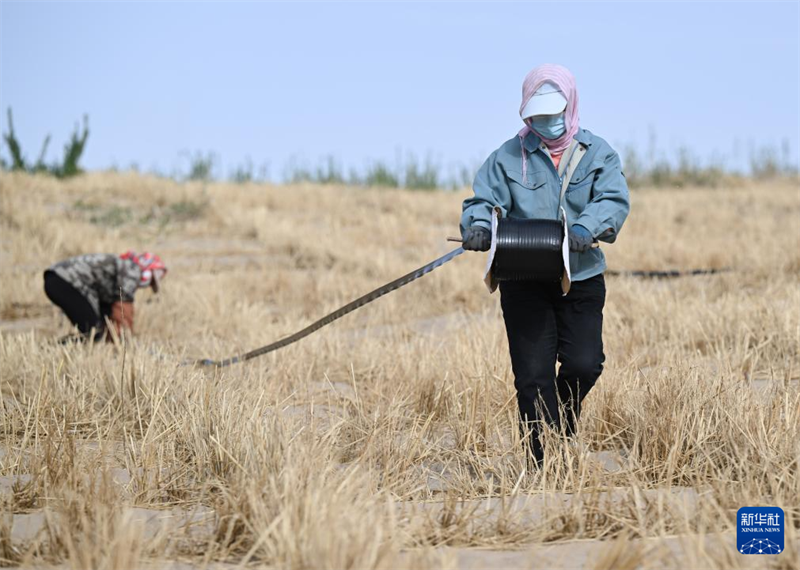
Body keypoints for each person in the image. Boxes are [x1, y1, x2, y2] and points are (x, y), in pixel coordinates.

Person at [460, 64, 630, 465]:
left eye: (555, 113)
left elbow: (613, 200)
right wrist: (479, 227)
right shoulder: (506, 157)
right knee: (533, 378)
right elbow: (482, 202)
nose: (547, 122)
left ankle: (562, 424)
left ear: (570, 107)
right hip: (524, 281)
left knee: (585, 364)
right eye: (538, 115)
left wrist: (588, 227)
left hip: (582, 276)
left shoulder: (597, 154)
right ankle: (543, 465)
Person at [43, 251, 167, 341]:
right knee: (93, 332)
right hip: (63, 281)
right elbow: (123, 307)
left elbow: (109, 309)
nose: (147, 285)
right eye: (151, 281)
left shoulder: (121, 267)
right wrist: (125, 338)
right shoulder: (132, 269)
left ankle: (61, 347)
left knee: (97, 328)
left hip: (56, 279)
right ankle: (56, 347)